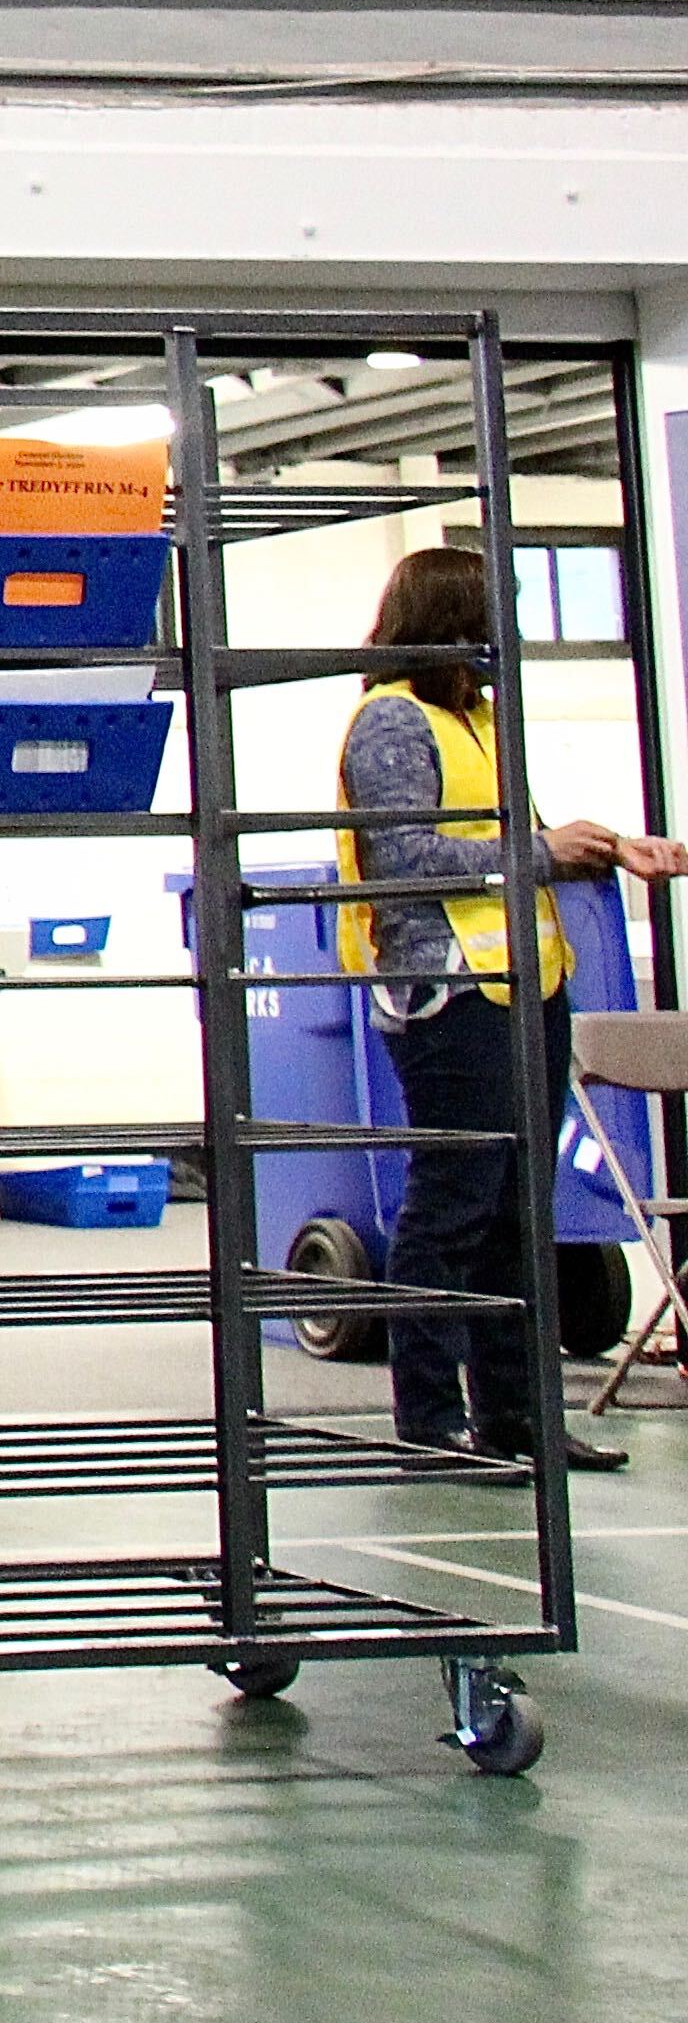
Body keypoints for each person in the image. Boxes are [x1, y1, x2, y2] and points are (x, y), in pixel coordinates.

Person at [337, 541, 682, 1474]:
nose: (509, 634)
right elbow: (401, 858)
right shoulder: (392, 723)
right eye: (497, 614)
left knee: (518, 1212)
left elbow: (513, 840)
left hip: (529, 985)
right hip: (449, 995)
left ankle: (519, 1416)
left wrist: (608, 847)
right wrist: (539, 852)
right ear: (453, 621)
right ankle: (429, 1416)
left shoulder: (482, 720)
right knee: (455, 1205)